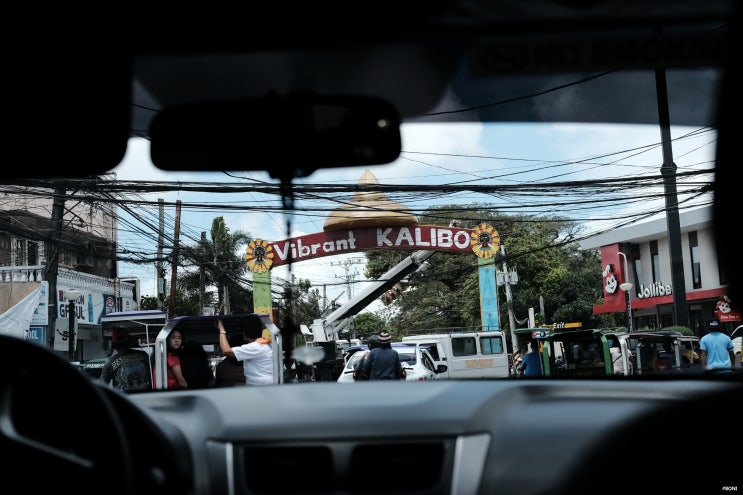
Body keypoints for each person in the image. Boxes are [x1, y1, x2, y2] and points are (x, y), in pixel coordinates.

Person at [217, 316, 274, 385]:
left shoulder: (255, 347)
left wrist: (221, 329)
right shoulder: (267, 345)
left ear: (244, 335)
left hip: (260, 388)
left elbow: (226, 351)